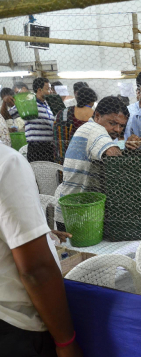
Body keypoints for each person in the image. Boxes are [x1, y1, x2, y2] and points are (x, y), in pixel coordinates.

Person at [0, 143, 83, 357]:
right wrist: (66, 341)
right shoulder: (7, 162)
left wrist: (42, 234)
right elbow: (36, 270)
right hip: (15, 326)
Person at [54, 96, 136, 231]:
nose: (117, 129)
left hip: (70, 212)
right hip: (76, 217)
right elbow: (112, 154)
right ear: (97, 116)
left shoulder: (88, 128)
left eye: (122, 126)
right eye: (112, 123)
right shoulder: (95, 129)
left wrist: (126, 146)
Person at [9, 77, 55, 162]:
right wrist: (5, 102)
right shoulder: (29, 103)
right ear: (39, 90)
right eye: (48, 89)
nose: (51, 91)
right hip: (36, 148)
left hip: (49, 148)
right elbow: (9, 114)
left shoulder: (48, 105)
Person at [53, 87, 98, 164]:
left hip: (68, 157)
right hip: (88, 159)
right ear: (92, 101)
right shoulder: (96, 115)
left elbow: (57, 132)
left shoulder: (65, 113)